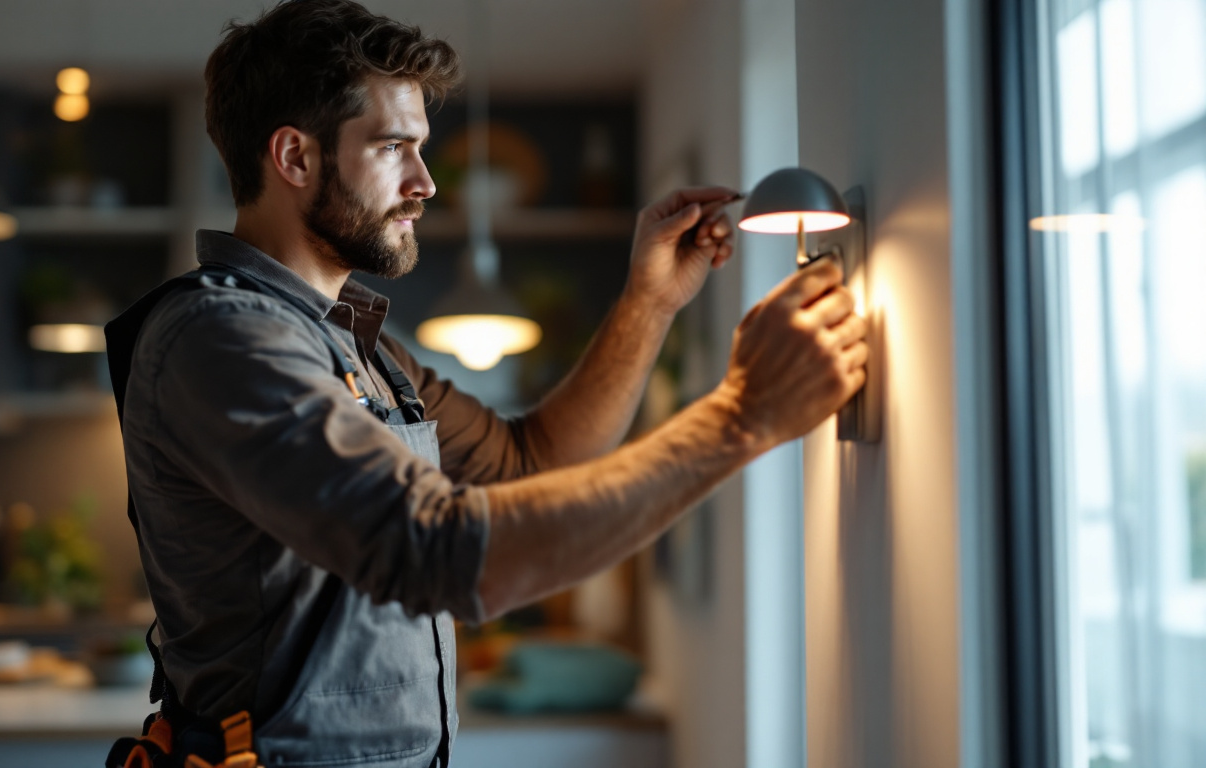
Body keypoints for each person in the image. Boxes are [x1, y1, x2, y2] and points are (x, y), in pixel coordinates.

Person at [105, 1, 868, 766]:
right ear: (296, 159)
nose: (426, 183)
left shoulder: (362, 346)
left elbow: (530, 461)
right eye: (395, 147)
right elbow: (437, 549)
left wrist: (649, 303)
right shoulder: (222, 341)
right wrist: (740, 417)